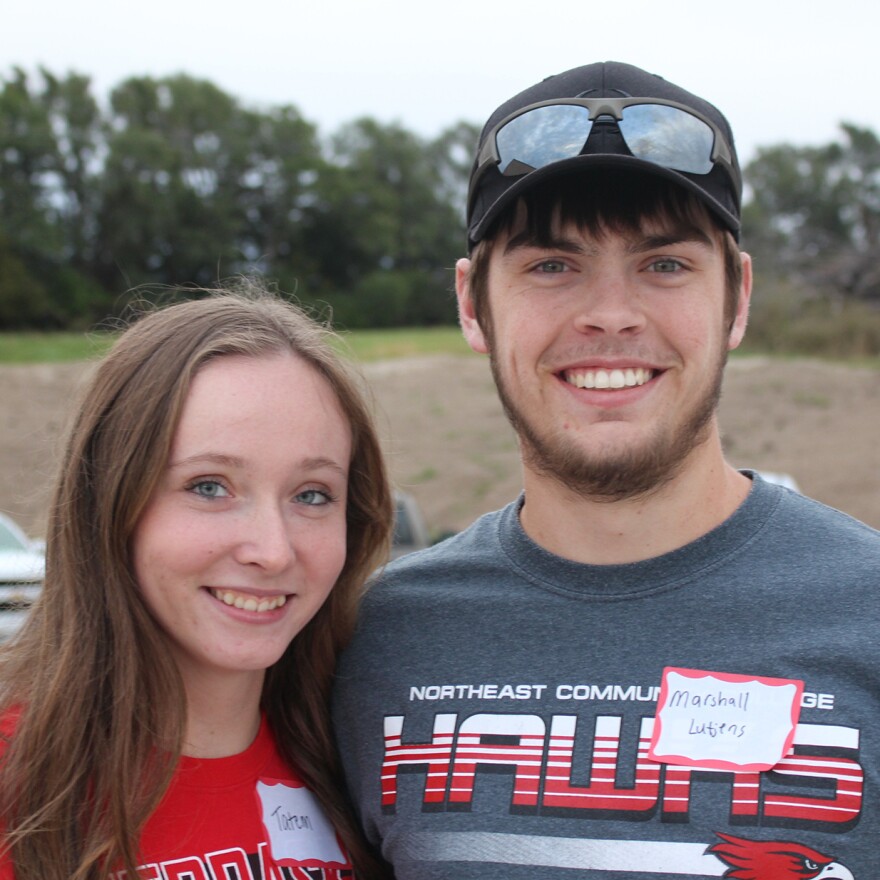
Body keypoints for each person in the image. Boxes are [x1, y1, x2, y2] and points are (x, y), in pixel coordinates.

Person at [333, 61, 880, 878]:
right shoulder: (371, 642)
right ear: (473, 304)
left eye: (664, 265)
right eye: (552, 266)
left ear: (737, 298)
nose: (611, 314)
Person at [0, 285, 393, 880]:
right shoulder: (16, 781)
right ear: (108, 504)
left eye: (312, 495)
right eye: (209, 486)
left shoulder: (372, 766)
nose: (272, 550)